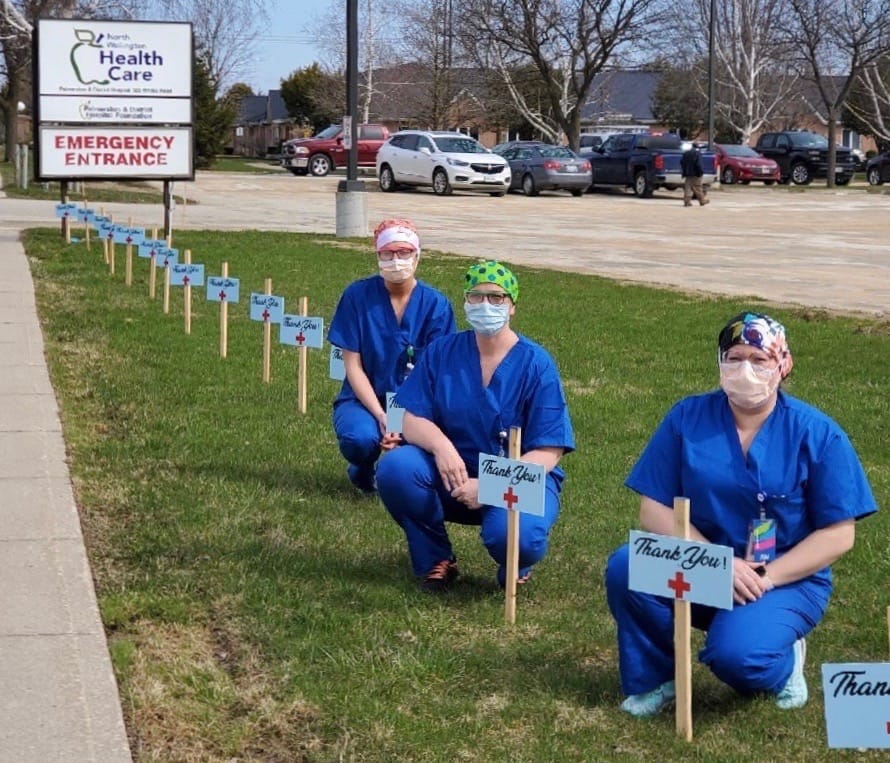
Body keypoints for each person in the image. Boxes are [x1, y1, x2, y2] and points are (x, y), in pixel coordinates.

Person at [605, 312, 877, 717]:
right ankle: (656, 678)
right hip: (707, 566)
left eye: (759, 359)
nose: (744, 369)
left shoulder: (818, 433)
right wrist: (717, 563)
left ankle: (784, 664)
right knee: (627, 566)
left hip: (783, 577)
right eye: (734, 357)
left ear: (783, 365)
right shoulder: (687, 418)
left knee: (737, 659)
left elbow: (839, 534)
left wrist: (767, 577)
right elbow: (653, 508)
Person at [376, 261, 575, 592]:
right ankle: (436, 557)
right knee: (397, 468)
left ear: (512, 307)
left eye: (497, 298)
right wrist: (441, 447)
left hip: (518, 477)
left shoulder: (536, 364)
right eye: (476, 296)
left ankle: (515, 562)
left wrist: (490, 487)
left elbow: (549, 449)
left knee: (514, 537)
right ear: (465, 302)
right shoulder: (442, 352)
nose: (486, 306)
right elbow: (409, 417)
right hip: (452, 473)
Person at [328, 218, 457, 495]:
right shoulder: (356, 297)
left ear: (417, 256)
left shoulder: (436, 306)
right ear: (377, 255)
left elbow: (434, 373)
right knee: (359, 438)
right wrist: (381, 415)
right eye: (387, 253)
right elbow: (352, 365)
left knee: (418, 449)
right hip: (363, 400)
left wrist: (400, 419)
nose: (396, 260)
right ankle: (362, 469)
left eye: (404, 252)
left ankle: (406, 477)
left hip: (417, 404)